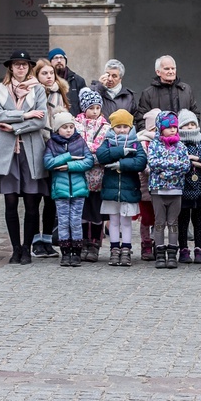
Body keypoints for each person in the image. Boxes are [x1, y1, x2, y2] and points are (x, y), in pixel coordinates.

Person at [0, 50, 49, 265]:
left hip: (31, 151)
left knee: (33, 204)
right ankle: (15, 248)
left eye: (24, 64)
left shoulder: (38, 90)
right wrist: (24, 115)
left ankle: (26, 247)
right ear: (11, 68)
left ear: (29, 67)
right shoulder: (0, 90)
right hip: (7, 154)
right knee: (10, 202)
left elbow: (41, 121)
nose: (21, 68)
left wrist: (15, 128)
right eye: (17, 64)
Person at [96, 109, 147, 267]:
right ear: (113, 128)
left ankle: (126, 249)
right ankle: (114, 249)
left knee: (126, 222)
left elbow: (140, 162)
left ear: (130, 127)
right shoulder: (108, 141)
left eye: (125, 126)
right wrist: (119, 151)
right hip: (111, 190)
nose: (122, 129)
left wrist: (120, 164)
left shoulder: (135, 143)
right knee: (113, 221)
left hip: (129, 189)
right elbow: (101, 155)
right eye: (119, 126)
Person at [43, 111, 94, 267]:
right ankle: (65, 252)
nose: (69, 130)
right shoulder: (52, 144)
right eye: (65, 127)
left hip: (78, 189)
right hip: (61, 190)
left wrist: (69, 166)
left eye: (71, 127)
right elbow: (48, 163)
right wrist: (68, 157)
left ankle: (76, 252)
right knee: (64, 221)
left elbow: (88, 161)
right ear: (58, 129)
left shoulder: (79, 141)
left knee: (76, 221)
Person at [29, 58, 69, 252]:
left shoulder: (60, 93)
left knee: (51, 198)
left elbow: (62, 119)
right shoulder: (31, 93)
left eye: (51, 73)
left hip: (55, 147)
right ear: (36, 75)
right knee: (35, 197)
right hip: (36, 146)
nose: (48, 77)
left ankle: (47, 239)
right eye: (44, 73)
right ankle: (36, 241)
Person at [146, 111, 190, 269]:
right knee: (159, 222)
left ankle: (172, 253)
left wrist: (167, 170)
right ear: (160, 128)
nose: (172, 130)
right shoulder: (154, 145)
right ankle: (159, 253)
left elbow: (185, 165)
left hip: (176, 190)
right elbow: (153, 163)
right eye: (169, 127)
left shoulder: (181, 146)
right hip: (158, 190)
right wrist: (173, 167)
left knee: (173, 223)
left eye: (175, 127)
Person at [74, 87, 110, 262]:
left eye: (97, 108)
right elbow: (77, 147)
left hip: (99, 177)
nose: (95, 112)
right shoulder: (76, 124)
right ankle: (82, 243)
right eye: (91, 108)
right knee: (82, 210)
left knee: (96, 212)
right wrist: (92, 152)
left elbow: (104, 151)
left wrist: (91, 152)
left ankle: (95, 244)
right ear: (84, 108)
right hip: (80, 177)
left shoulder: (106, 127)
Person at [177, 109, 201, 265]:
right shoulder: (176, 141)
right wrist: (191, 162)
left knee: (198, 220)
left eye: (192, 124)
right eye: (186, 125)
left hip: (200, 186)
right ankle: (183, 249)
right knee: (183, 220)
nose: (190, 127)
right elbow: (176, 158)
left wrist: (197, 157)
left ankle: (199, 249)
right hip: (183, 186)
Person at [134, 55, 200, 129]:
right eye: (167, 69)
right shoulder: (148, 93)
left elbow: (195, 114)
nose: (171, 72)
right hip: (159, 139)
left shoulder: (186, 89)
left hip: (184, 138)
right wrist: (153, 136)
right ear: (158, 72)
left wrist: (191, 131)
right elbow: (141, 119)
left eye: (173, 68)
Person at [136, 108, 161, 261]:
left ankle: (158, 242)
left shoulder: (165, 141)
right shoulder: (142, 141)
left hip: (161, 186)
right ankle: (146, 243)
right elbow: (143, 163)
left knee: (159, 217)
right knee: (146, 217)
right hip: (145, 185)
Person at [48, 48, 86, 117]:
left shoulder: (78, 80)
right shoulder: (47, 81)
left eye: (61, 58)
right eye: (56, 58)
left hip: (73, 122)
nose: (59, 61)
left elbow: (85, 105)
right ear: (50, 62)